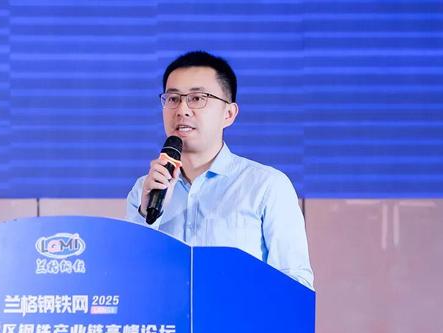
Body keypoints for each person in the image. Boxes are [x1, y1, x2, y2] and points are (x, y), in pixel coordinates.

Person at [126, 51, 314, 290]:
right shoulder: (145, 189)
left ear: (229, 114)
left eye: (197, 98)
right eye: (173, 99)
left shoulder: (267, 186)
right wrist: (147, 214)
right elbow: (128, 279)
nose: (182, 109)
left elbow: (297, 285)